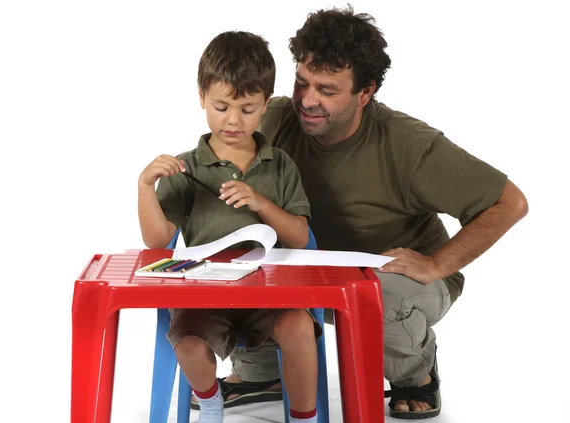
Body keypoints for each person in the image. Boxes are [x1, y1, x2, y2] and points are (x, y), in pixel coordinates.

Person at [190, 6, 529, 420]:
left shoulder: (409, 145)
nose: (308, 101)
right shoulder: (274, 119)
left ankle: (415, 375)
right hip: (311, 269)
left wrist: (437, 263)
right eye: (302, 83)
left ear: (364, 93)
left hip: (398, 275)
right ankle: (262, 372)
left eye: (328, 91)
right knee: (254, 255)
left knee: (375, 288)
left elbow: (510, 202)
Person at [138, 31, 322, 423]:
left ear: (265, 106)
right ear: (202, 98)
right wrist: (145, 187)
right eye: (221, 107)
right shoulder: (187, 166)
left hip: (272, 293)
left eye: (248, 109)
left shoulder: (281, 165)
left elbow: (300, 239)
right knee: (186, 344)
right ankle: (210, 401)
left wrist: (260, 203)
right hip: (206, 295)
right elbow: (156, 242)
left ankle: (304, 417)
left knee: (300, 328)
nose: (233, 120)